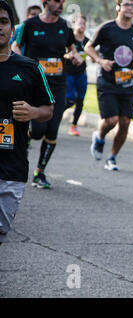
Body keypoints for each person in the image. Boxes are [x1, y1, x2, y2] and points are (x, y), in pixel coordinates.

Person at [12, 0, 82, 189]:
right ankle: (24, 146)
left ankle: (39, 173)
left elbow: (71, 47)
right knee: (36, 131)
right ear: (45, 2)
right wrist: (23, 62)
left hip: (58, 84)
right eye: (57, 1)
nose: (61, 4)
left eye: (63, 1)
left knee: (52, 129)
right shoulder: (30, 24)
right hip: (35, 84)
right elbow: (16, 46)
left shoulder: (65, 25)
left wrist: (74, 56)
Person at [0, 0, 54, 245]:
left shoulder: (30, 68)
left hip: (11, 164)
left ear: (12, 28)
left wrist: (33, 111)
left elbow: (48, 109)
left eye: (3, 22)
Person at [84, 0, 133, 171]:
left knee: (125, 122)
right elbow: (88, 47)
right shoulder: (107, 28)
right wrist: (100, 60)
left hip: (127, 82)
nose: (130, 8)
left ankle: (112, 157)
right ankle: (99, 137)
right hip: (107, 80)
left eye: (132, 5)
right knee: (112, 120)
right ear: (118, 7)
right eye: (126, 4)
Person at [64, 14, 89, 137]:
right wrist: (70, 56)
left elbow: (93, 54)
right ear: (74, 24)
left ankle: (74, 126)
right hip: (69, 73)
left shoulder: (87, 41)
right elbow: (62, 54)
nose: (82, 26)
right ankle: (54, 115)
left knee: (80, 100)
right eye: (80, 23)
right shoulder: (69, 40)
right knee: (70, 99)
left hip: (81, 74)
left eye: (84, 24)